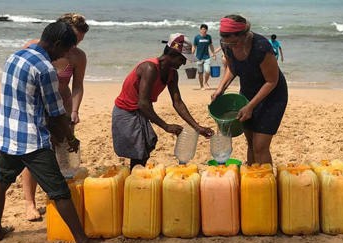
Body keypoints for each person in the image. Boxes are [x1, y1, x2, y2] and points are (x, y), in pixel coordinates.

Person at [0, 21, 110, 243]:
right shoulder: (45, 69)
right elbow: (56, 114)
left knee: (2, 183)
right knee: (59, 192)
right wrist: (70, 138)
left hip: (7, 133)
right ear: (56, 44)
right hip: (31, 140)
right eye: (65, 49)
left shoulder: (15, 56)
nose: (65, 55)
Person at [17, 13, 89, 222]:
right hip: (38, 108)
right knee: (35, 153)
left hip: (62, 108)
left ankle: (59, 197)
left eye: (79, 41)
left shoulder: (78, 56)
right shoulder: (34, 47)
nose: (74, 45)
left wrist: (74, 111)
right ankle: (29, 203)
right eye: (73, 39)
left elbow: (77, 86)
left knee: (63, 150)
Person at [112, 33, 215, 167]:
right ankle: (135, 179)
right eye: (182, 59)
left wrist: (197, 127)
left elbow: (177, 102)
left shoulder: (172, 73)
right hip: (126, 111)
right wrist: (166, 126)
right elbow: (143, 103)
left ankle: (136, 176)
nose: (184, 63)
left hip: (140, 111)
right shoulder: (149, 68)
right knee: (139, 152)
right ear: (172, 54)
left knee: (147, 145)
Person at [210, 14, 288, 165]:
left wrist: (250, 106)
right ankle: (252, 180)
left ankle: (265, 184)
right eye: (228, 43)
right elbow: (232, 68)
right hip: (248, 92)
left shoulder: (261, 47)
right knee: (251, 142)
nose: (231, 47)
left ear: (244, 35)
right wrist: (221, 88)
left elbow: (272, 81)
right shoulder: (226, 44)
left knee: (260, 146)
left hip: (272, 94)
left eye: (235, 42)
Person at [190, 24, 218, 90]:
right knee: (200, 73)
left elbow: (211, 45)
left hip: (207, 57)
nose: (204, 30)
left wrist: (213, 54)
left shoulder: (209, 37)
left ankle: (205, 82)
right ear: (200, 30)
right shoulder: (197, 37)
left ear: (207, 30)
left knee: (208, 71)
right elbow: (194, 47)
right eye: (202, 29)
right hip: (198, 58)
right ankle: (201, 86)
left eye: (205, 29)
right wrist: (191, 56)